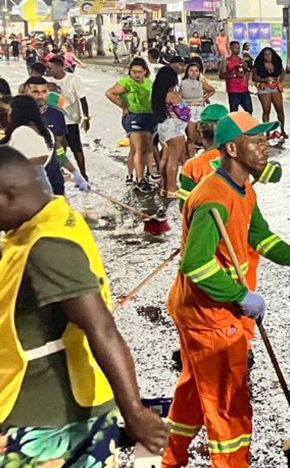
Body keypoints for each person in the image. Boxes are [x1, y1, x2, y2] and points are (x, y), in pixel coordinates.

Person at [162, 111, 290, 467]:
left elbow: (261, 238)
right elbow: (195, 264)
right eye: (257, 141)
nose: (266, 148)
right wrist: (239, 296)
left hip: (205, 308)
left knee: (194, 390)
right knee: (227, 402)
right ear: (232, 148)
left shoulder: (243, 188)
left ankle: (171, 459)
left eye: (266, 140)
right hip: (208, 315)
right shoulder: (213, 197)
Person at [0, 146, 170, 466]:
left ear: (7, 195)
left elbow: (101, 328)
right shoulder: (42, 223)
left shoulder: (47, 248)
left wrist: (134, 411)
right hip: (36, 405)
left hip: (50, 418)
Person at [106, 59, 158, 193]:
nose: (137, 75)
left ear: (145, 72)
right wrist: (123, 106)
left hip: (149, 117)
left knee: (142, 149)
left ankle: (132, 175)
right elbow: (109, 93)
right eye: (134, 72)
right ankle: (139, 179)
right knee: (139, 148)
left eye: (140, 72)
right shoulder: (126, 82)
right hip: (133, 117)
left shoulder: (148, 82)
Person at [44, 55, 90, 178]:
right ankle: (59, 171)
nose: (48, 70)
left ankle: (83, 174)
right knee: (59, 148)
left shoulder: (73, 80)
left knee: (76, 148)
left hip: (71, 120)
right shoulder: (46, 82)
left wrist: (86, 117)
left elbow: (83, 99)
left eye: (51, 68)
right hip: (54, 121)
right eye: (47, 68)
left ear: (60, 68)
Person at [153, 66, 191, 199]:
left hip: (163, 127)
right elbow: (185, 115)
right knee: (174, 160)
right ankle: (172, 188)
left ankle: (163, 187)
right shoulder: (172, 95)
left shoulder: (157, 93)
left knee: (165, 158)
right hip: (174, 128)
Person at [251, 48, 287, 141]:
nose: (267, 56)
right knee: (266, 110)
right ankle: (267, 132)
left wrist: (280, 81)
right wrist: (264, 80)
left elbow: (283, 72)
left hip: (275, 86)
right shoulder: (258, 65)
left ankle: (282, 130)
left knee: (280, 109)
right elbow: (254, 78)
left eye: (269, 54)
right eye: (265, 54)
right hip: (264, 87)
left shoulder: (277, 63)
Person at [219, 41, 251, 114]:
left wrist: (247, 82)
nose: (237, 49)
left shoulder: (242, 60)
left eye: (238, 48)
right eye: (235, 48)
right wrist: (234, 75)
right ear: (231, 48)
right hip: (233, 90)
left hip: (244, 89)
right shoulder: (226, 61)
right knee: (234, 112)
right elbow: (221, 75)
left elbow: (248, 71)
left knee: (249, 110)